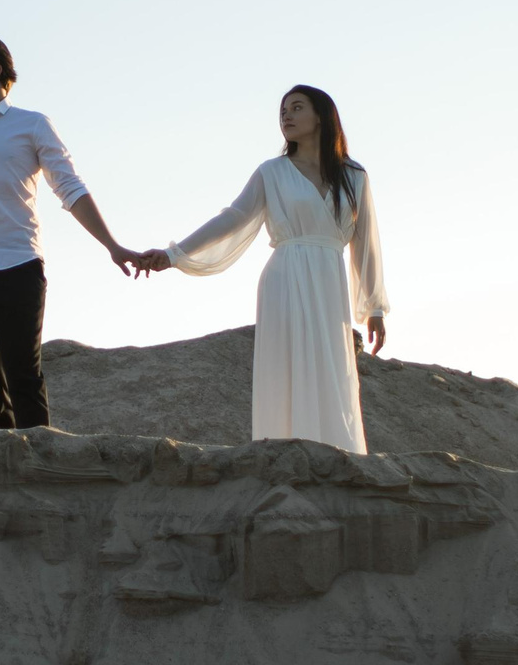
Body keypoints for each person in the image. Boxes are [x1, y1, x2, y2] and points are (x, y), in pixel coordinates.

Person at [135, 85, 389, 452]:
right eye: (283, 110)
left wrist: (374, 307)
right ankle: (286, 456)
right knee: (286, 369)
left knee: (331, 371)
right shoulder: (272, 172)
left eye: (297, 108)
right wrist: (174, 254)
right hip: (286, 277)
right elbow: (234, 218)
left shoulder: (355, 176)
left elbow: (365, 243)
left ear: (321, 116)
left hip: (329, 282)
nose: (286, 116)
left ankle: (337, 454)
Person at [0, 33, 140, 429]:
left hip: (18, 264)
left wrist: (112, 245)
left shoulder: (32, 125)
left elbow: (70, 188)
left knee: (24, 374)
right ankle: (2, 479)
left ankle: (41, 464)